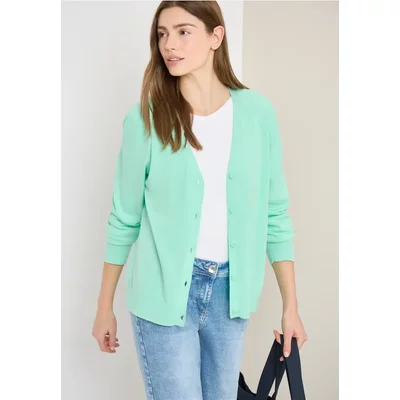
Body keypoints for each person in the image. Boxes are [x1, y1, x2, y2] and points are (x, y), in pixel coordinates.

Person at [92, 1, 307, 399]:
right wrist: (104, 306)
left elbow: (275, 214)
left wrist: (290, 306)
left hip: (231, 296)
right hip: (162, 294)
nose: (169, 44)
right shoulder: (145, 120)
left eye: (183, 31)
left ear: (215, 36)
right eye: (162, 34)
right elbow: (124, 218)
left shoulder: (257, 114)